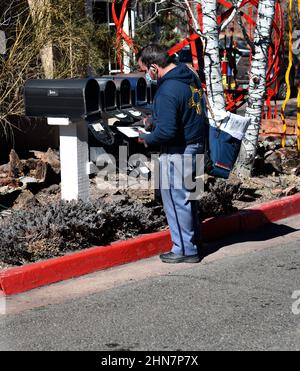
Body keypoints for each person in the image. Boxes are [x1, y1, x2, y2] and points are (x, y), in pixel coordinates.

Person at [137, 44, 207, 263]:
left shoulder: (167, 90)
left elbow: (167, 131)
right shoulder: (190, 77)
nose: (145, 76)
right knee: (190, 198)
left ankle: (184, 250)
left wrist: (146, 138)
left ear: (154, 67)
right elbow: (183, 112)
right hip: (195, 146)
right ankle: (194, 242)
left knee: (176, 201)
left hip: (178, 151)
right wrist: (153, 121)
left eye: (144, 70)